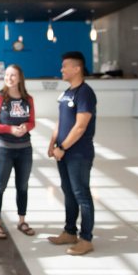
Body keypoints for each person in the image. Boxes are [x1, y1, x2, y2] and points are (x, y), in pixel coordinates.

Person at [47, 51, 97, 256]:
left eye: (65, 66)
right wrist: (52, 143)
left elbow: (80, 126)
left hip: (78, 153)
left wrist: (63, 148)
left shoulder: (85, 93)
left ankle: (86, 239)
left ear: (77, 68)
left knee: (81, 194)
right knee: (68, 192)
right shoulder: (67, 92)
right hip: (64, 153)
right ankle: (70, 232)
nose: (62, 69)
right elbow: (61, 121)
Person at [0, 64, 36, 240]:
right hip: (4, 150)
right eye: (7, 75)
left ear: (20, 78)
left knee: (23, 187)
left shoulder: (28, 99)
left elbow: (32, 122)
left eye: (13, 75)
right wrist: (9, 129)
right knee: (0, 186)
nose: (9, 78)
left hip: (25, 150)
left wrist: (25, 126)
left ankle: (22, 221)